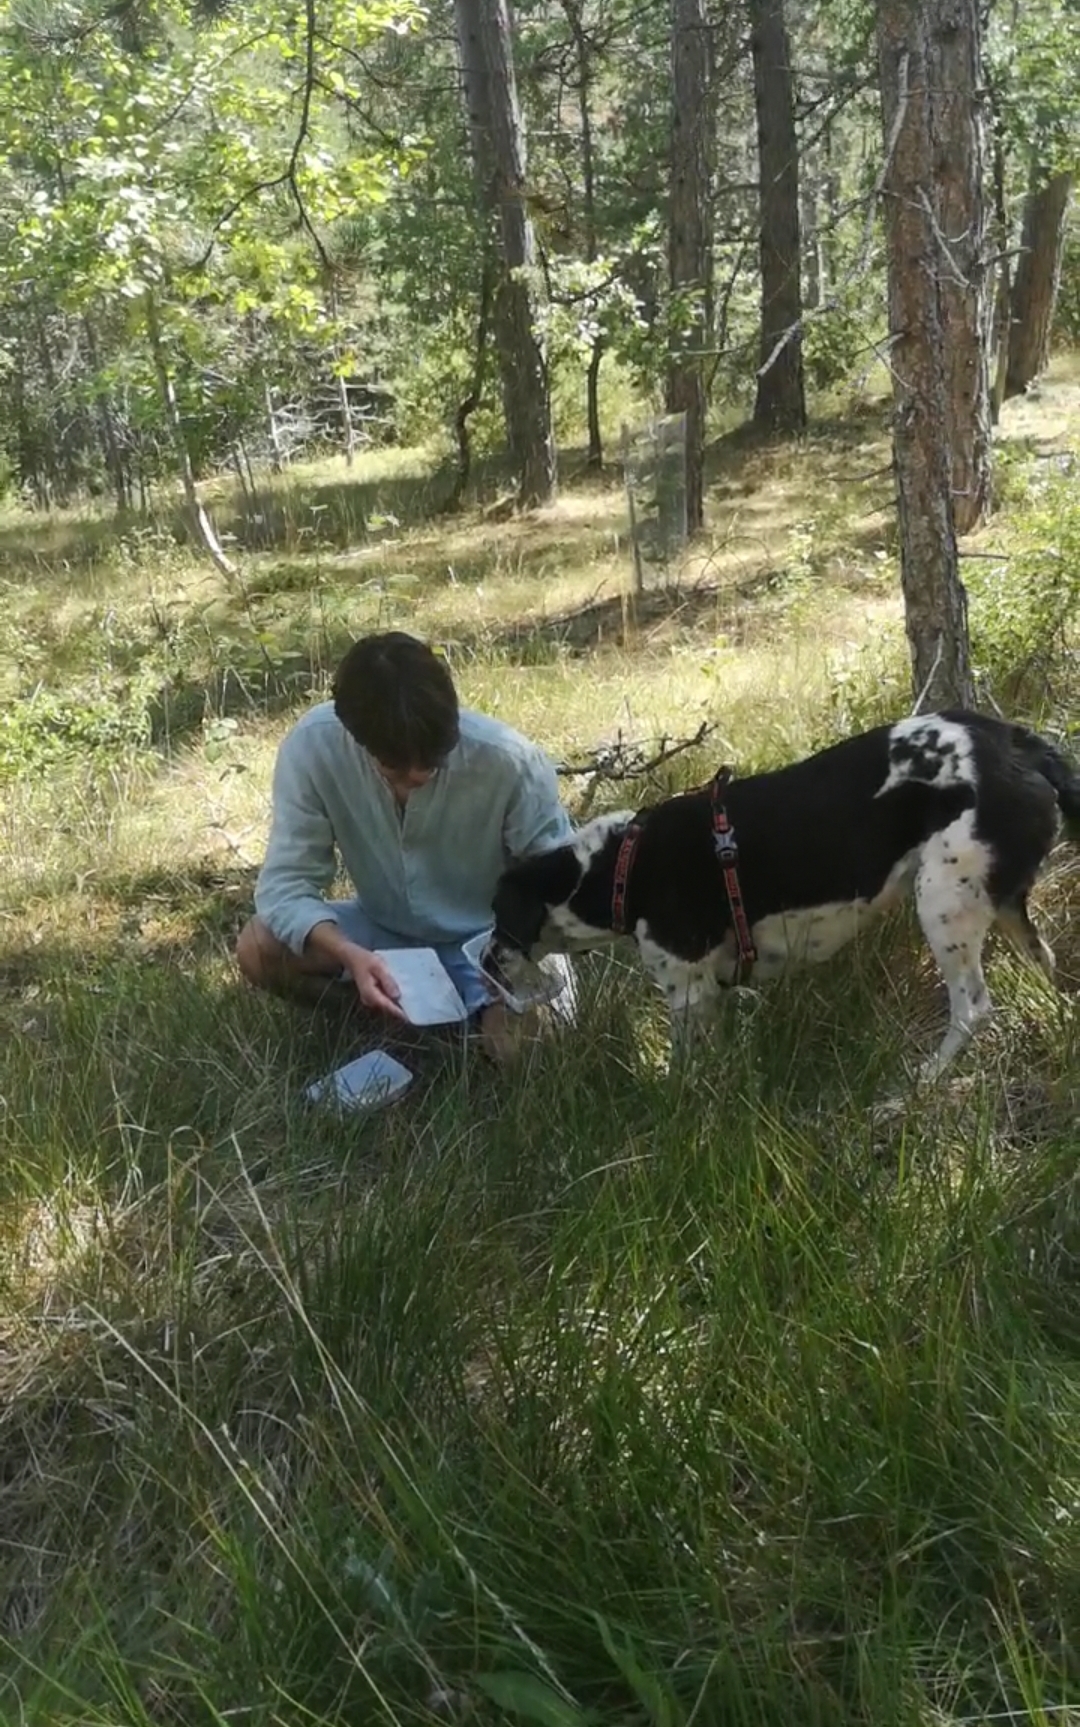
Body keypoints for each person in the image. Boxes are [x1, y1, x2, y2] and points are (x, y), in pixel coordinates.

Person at [235, 630, 576, 1061]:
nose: (418, 775)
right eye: (394, 766)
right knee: (259, 946)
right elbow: (285, 887)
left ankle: (462, 1033)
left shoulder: (510, 762)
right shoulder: (314, 747)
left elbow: (561, 885)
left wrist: (515, 952)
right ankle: (390, 1029)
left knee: (526, 1049)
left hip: (495, 942)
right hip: (383, 935)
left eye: (434, 759)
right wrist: (348, 954)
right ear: (355, 737)